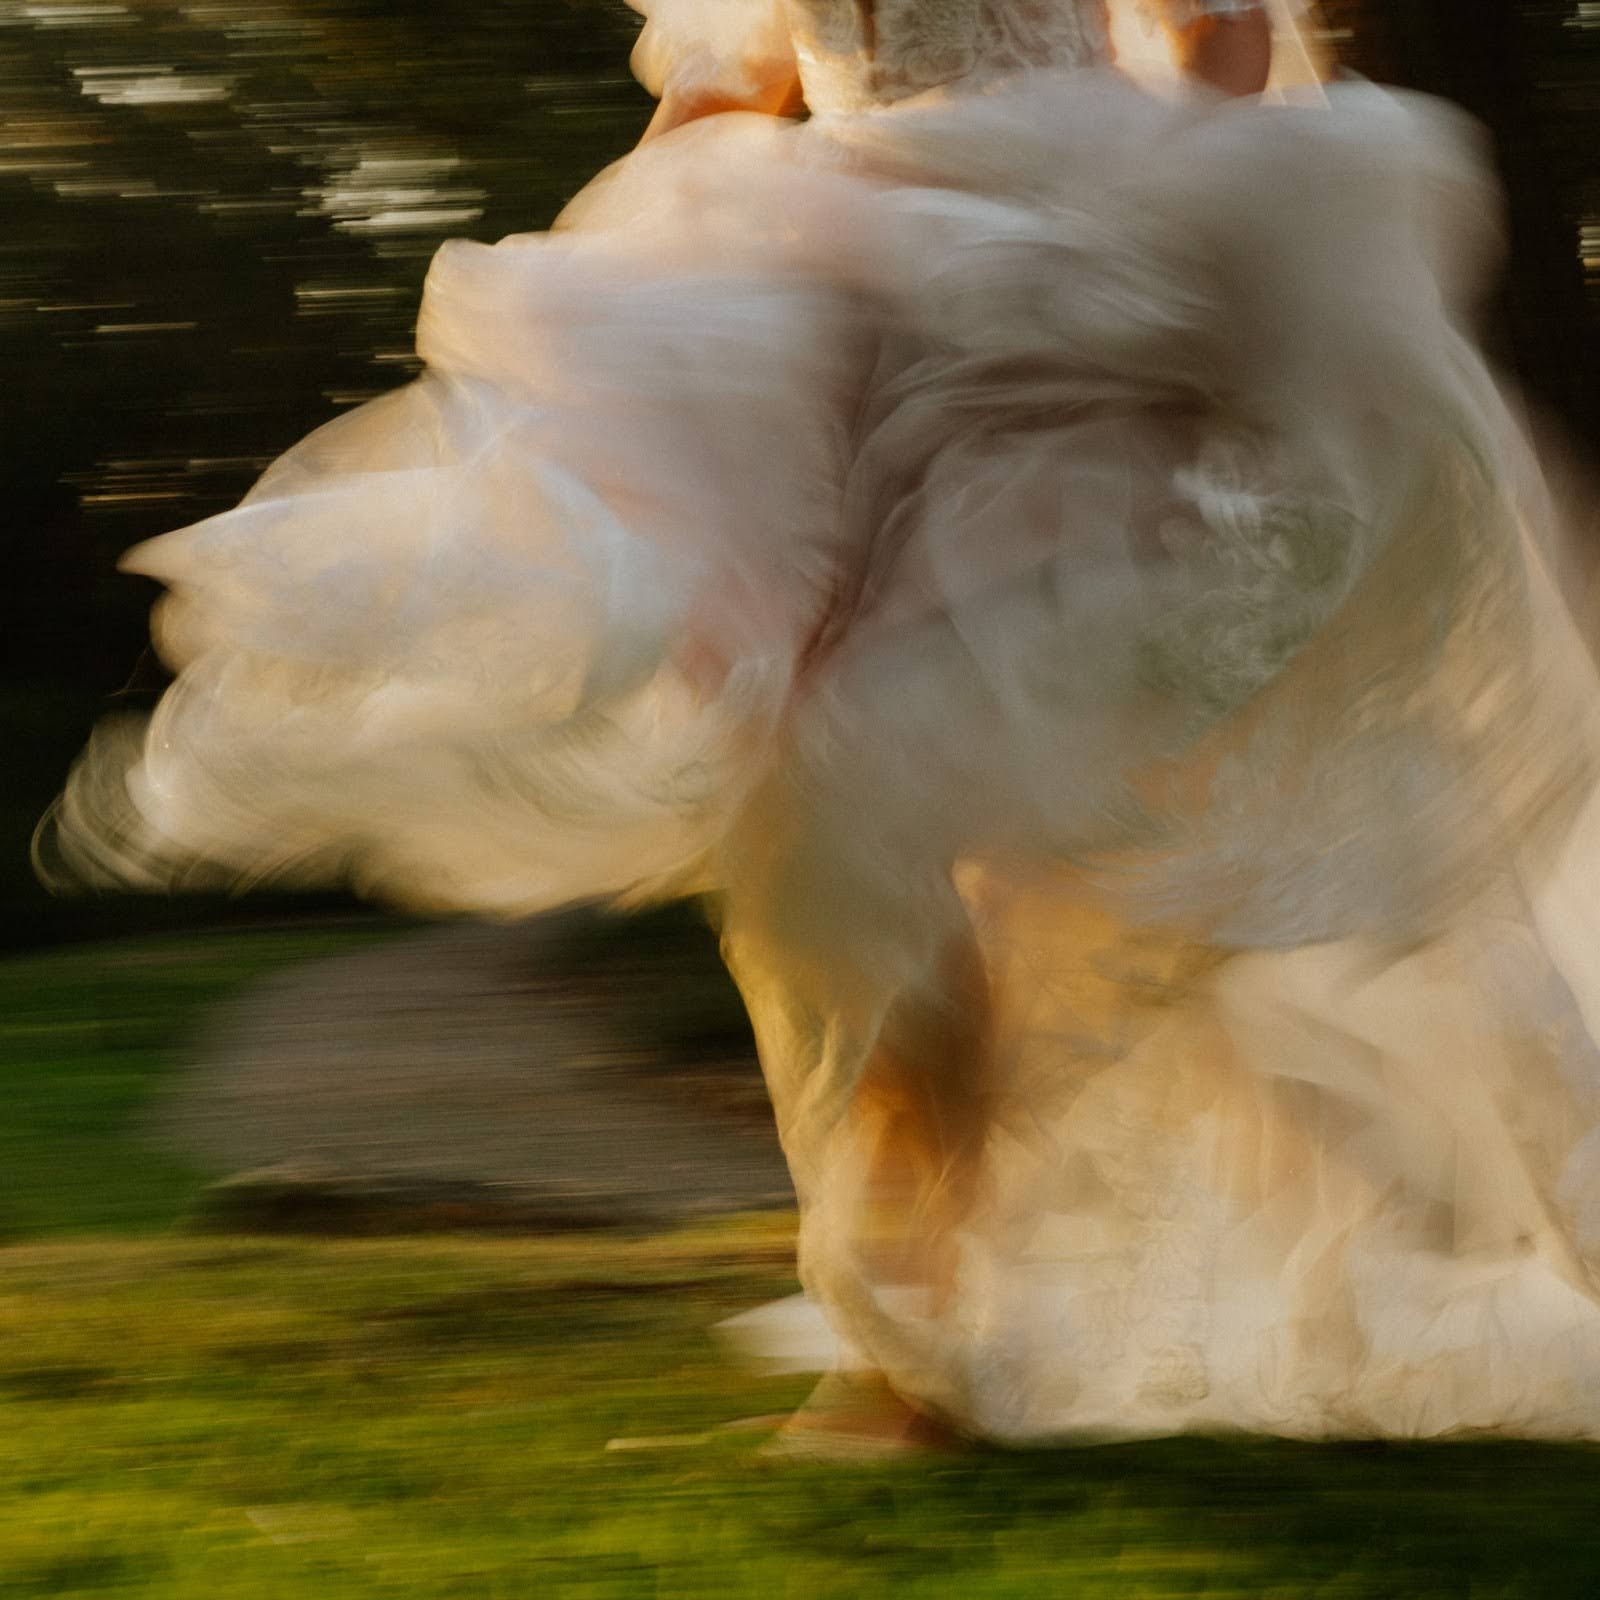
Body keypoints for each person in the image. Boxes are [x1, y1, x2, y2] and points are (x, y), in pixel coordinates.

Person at [45, 0, 1600, 1445]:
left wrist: (1141, 242)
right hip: (839, 327)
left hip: (1065, 318)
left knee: (959, 822)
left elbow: (1221, 35)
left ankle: (926, 1329)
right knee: (830, 844)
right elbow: (741, 86)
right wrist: (609, 290)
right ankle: (919, 1317)